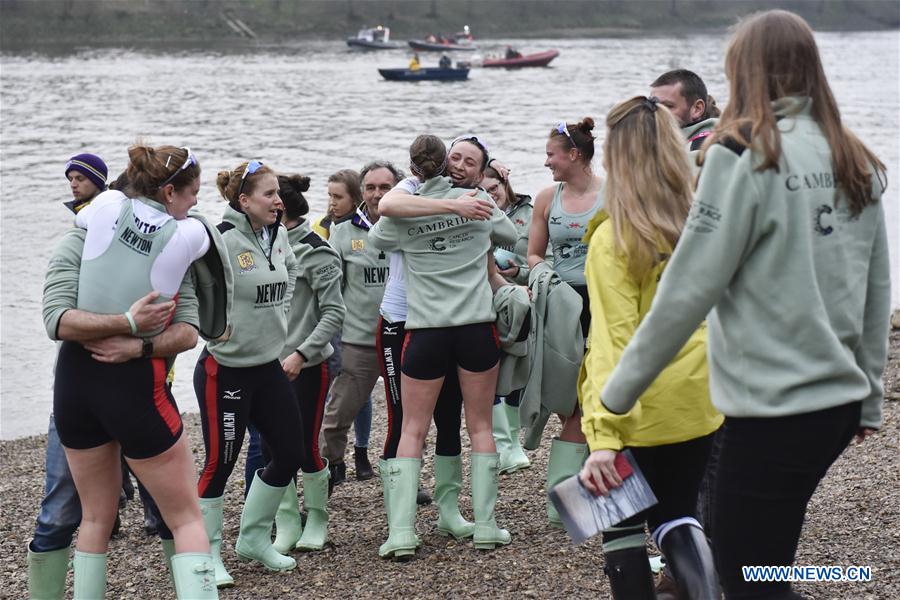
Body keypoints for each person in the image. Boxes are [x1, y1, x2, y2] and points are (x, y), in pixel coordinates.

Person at [590, 11, 890, 600]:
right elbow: (877, 290)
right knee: (766, 562)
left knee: (748, 572)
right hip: (838, 403)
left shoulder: (740, 154)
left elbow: (688, 288)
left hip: (772, 407)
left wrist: (616, 394)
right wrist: (872, 395)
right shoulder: (853, 154)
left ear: (743, 69)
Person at [49, 144, 217, 599]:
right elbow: (210, 244)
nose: (195, 203)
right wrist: (133, 332)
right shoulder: (185, 235)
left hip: (76, 380)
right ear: (168, 192)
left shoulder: (104, 205)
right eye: (192, 193)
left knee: (95, 518)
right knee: (185, 518)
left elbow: (88, 221)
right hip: (133, 384)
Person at [578, 96, 723, 600]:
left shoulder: (614, 238)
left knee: (617, 524)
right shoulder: (703, 225)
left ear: (617, 159)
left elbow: (615, 341)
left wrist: (602, 435)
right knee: (678, 512)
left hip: (634, 405)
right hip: (701, 401)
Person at [370, 134, 517, 558]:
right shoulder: (476, 203)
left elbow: (379, 239)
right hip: (475, 328)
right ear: (448, 164)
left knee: (412, 429)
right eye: (456, 157)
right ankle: (486, 526)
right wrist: (476, 203)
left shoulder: (406, 211)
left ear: (414, 169)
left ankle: (401, 534)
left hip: (426, 331)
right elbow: (508, 235)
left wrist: (419, 208)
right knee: (482, 428)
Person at [194, 160, 304, 585]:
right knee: (221, 462)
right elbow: (191, 287)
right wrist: (216, 327)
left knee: (290, 453)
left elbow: (290, 272)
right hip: (226, 370)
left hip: (267, 367)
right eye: (269, 194)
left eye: (278, 193)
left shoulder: (275, 234)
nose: (279, 201)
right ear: (244, 200)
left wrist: (278, 314)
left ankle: (254, 539)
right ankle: (208, 556)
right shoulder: (221, 239)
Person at [29, 155, 111, 599]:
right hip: (77, 386)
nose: (75, 185)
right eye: (71, 179)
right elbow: (56, 319)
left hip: (138, 385)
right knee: (60, 507)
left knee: (168, 510)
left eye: (82, 178)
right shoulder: (71, 242)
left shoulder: (131, 231)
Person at [527, 117, 604, 527]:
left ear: (574, 155)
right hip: (561, 303)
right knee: (567, 398)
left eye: (551, 155)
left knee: (594, 398)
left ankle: (567, 503)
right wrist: (545, 278)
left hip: (604, 303)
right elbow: (534, 255)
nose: (546, 163)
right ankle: (578, 497)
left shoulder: (613, 194)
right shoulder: (545, 198)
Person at [265, 173, 346, 554]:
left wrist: (302, 354)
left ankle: (317, 516)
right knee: (271, 447)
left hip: (307, 365)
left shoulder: (318, 250)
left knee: (305, 447)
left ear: (279, 209)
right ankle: (285, 521)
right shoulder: (260, 245)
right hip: (264, 363)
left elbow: (334, 313)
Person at [319, 167, 390, 489]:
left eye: (385, 187)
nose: (378, 194)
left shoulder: (408, 227)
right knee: (335, 419)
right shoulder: (344, 232)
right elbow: (331, 290)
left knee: (408, 418)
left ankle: (402, 477)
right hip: (358, 342)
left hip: (403, 339)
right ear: (363, 191)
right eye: (371, 187)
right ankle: (329, 471)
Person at [480, 164, 537, 474]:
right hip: (485, 303)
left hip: (522, 304)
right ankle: (504, 446)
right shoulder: (473, 210)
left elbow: (543, 259)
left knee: (516, 372)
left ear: (505, 183)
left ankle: (512, 443)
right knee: (490, 374)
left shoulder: (529, 213)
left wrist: (519, 273)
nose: (491, 196)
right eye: (484, 191)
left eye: (495, 189)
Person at [650, 69, 721, 153]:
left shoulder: (702, 150)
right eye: (653, 104)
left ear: (697, 109)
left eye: (668, 106)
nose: (657, 112)